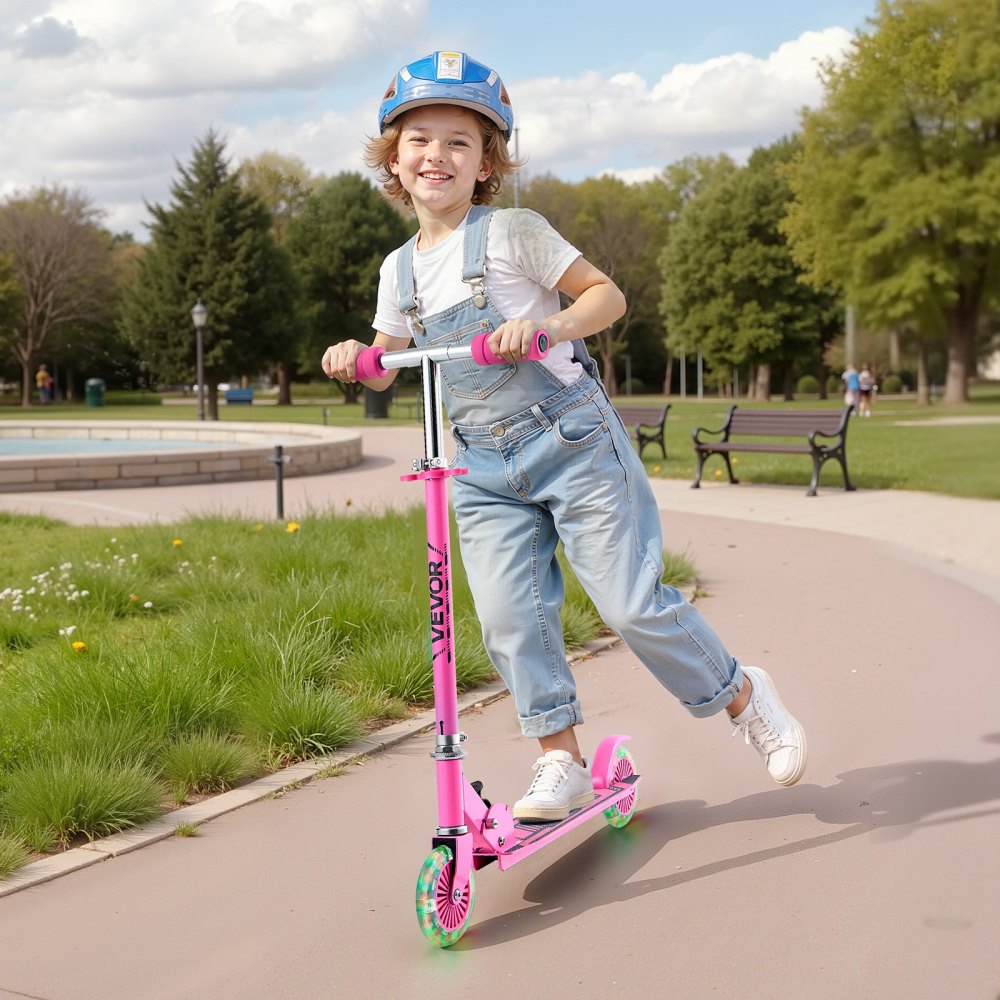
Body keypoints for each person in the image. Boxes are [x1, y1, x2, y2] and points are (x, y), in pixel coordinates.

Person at [322, 51, 806, 822]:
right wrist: (356, 359)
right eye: (418, 139)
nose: (435, 155)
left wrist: (545, 325)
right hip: (480, 466)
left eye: (458, 141)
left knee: (631, 606)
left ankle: (743, 695)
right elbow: (387, 365)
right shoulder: (397, 271)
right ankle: (562, 763)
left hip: (571, 442)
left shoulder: (514, 232)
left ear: (487, 163)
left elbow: (606, 296)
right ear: (393, 157)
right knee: (513, 620)